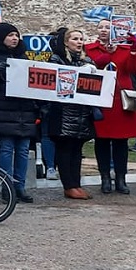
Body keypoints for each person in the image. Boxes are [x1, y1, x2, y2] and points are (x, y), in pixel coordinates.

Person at [0, 22, 39, 203]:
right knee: (6, 150)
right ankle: (7, 187)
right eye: (10, 35)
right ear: (2, 38)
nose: (14, 38)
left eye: (16, 35)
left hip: (24, 110)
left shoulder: (24, 57)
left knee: (24, 150)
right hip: (3, 111)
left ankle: (20, 187)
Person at [85, 18, 136, 195]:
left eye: (108, 28)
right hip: (101, 100)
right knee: (101, 141)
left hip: (121, 101)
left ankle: (121, 178)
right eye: (101, 27)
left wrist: (133, 48)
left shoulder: (125, 49)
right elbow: (92, 68)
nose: (104, 30)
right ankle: (104, 177)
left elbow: (133, 69)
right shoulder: (90, 49)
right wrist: (107, 55)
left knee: (121, 142)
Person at [47, 27, 96, 200]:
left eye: (81, 39)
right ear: (66, 42)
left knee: (77, 149)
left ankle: (76, 184)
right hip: (63, 113)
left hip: (82, 113)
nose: (79, 42)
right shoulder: (56, 59)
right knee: (65, 148)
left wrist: (93, 70)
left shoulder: (87, 61)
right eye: (75, 39)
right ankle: (68, 185)